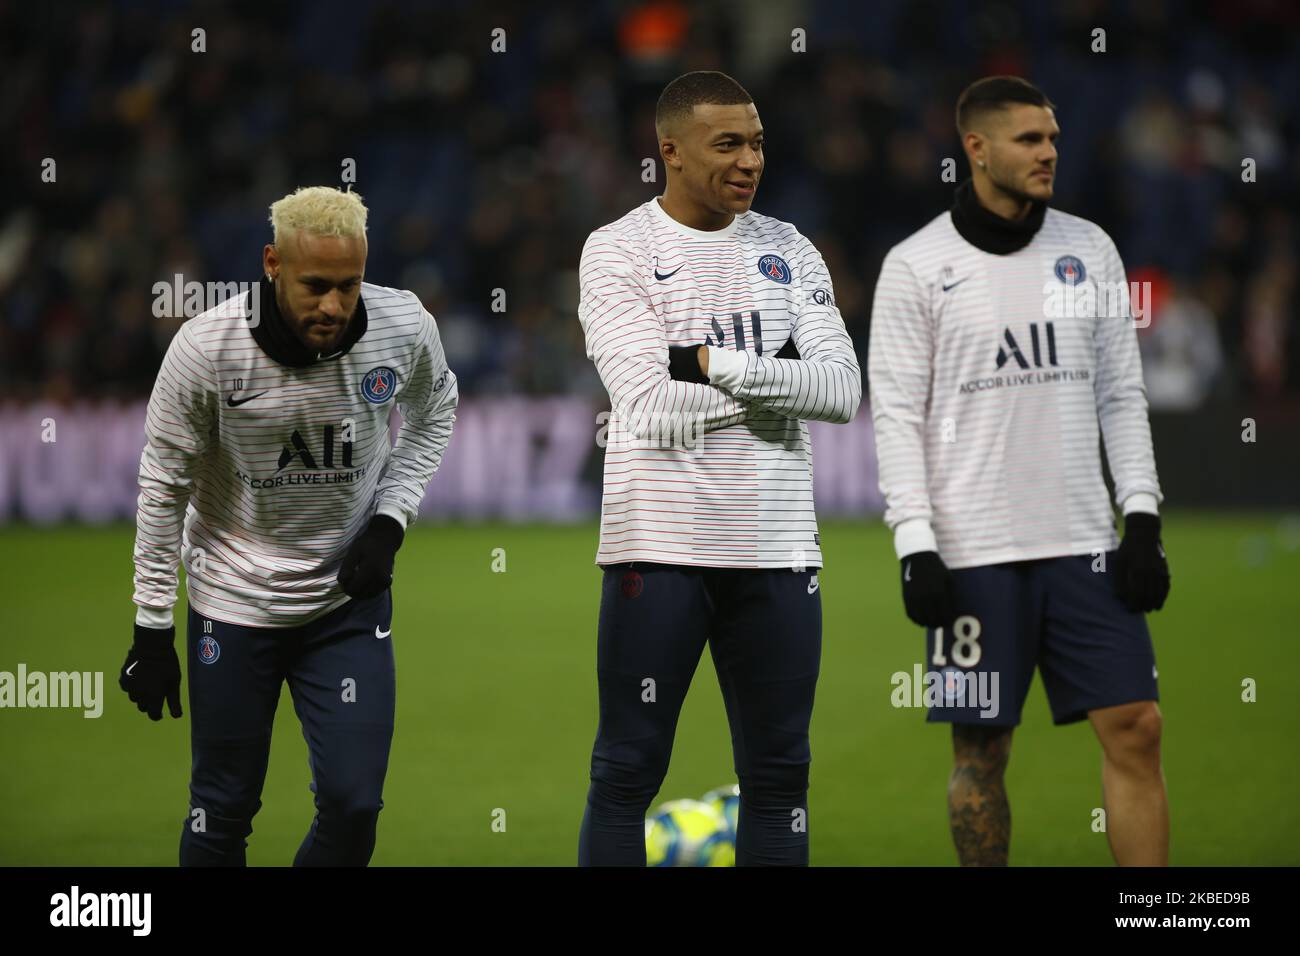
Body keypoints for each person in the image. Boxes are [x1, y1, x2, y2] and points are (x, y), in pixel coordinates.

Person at [868, 77, 1171, 866]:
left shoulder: (1089, 249)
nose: (1049, 153)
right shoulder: (915, 267)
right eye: (1030, 140)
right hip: (972, 553)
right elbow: (896, 416)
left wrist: (1140, 517)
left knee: (1137, 726)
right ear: (977, 148)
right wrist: (915, 545)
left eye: (1053, 138)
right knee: (980, 753)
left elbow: (1119, 391)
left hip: (1084, 543)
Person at [121, 186, 458, 866]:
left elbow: (434, 414)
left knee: (355, 803)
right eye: (315, 286)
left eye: (349, 284)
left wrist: (389, 523)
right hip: (233, 605)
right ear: (272, 264)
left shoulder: (403, 326)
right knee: (221, 813)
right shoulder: (206, 350)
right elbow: (163, 487)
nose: (334, 306)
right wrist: (151, 627)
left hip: (344, 607)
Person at [576, 71, 861, 866]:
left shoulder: (789, 248)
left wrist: (704, 361)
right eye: (728, 143)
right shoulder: (619, 250)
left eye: (758, 142)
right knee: (626, 768)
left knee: (780, 778)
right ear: (670, 150)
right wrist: (774, 378)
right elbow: (646, 406)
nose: (750, 160)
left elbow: (841, 392)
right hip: (657, 552)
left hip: (778, 552)